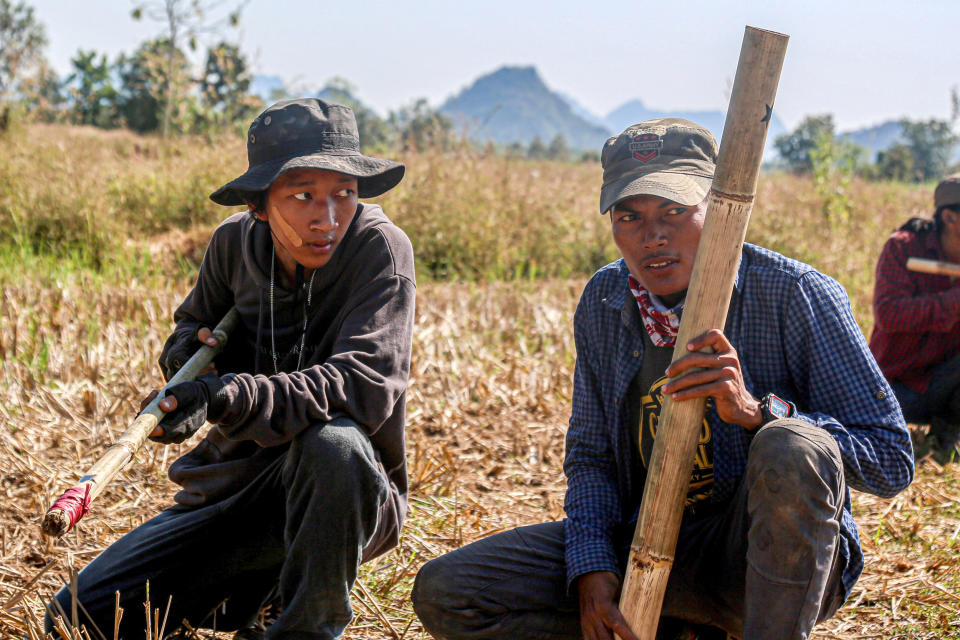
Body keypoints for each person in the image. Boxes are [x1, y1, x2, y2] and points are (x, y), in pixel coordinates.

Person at [411, 119, 914, 640]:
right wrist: (591, 566)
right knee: (449, 591)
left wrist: (756, 413)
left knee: (790, 445)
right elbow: (592, 457)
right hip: (648, 552)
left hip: (764, 566)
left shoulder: (795, 294)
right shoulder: (606, 302)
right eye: (630, 216)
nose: (653, 236)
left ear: (720, 211)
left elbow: (891, 460)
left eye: (675, 211)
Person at [47, 98, 416, 640]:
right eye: (304, 196)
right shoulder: (231, 246)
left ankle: (306, 627)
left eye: (344, 193)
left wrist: (225, 396)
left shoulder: (379, 250)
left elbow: (363, 386)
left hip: (343, 495)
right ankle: (258, 595)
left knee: (333, 444)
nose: (329, 217)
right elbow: (191, 326)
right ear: (259, 206)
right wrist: (184, 366)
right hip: (237, 492)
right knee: (78, 619)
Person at [870, 174, 960, 465]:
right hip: (894, 390)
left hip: (944, 385)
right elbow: (890, 314)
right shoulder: (903, 247)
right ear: (949, 217)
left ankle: (947, 438)